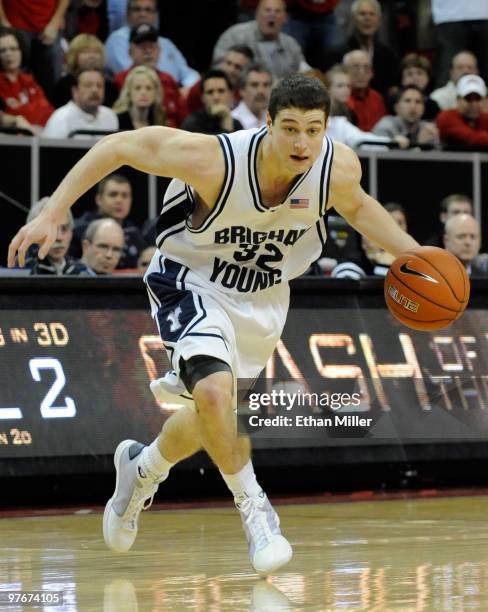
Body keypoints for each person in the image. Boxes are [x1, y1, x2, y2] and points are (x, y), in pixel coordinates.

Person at [8, 74, 419, 576]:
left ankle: (143, 468)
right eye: (289, 127)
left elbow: (357, 207)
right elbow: (118, 146)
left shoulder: (336, 167)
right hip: (192, 280)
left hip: (263, 299)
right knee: (214, 397)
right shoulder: (216, 160)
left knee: (212, 420)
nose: (301, 142)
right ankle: (256, 510)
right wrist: (54, 211)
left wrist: (416, 255)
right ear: (266, 123)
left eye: (313, 129)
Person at [105, 0, 199, 91]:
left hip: (172, 91)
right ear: (128, 13)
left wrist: (188, 89)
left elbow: (187, 73)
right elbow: (132, 74)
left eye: (148, 10)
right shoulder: (117, 39)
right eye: (137, 9)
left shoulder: (165, 42)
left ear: (155, 15)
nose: (142, 14)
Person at [212, 0, 310, 81]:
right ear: (257, 14)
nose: (272, 15)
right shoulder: (235, 35)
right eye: (267, 10)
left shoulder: (291, 44)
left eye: (277, 11)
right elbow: (217, 68)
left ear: (285, 18)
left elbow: (306, 72)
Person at [113, 23, 187, 128]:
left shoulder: (168, 79)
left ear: (159, 50)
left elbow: (183, 118)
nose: (148, 51)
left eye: (152, 46)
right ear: (130, 52)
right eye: (142, 47)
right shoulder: (119, 80)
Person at [321, 0, 398, 97]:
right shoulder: (335, 54)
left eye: (372, 14)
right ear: (353, 19)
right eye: (362, 14)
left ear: (378, 20)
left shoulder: (387, 55)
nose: (367, 18)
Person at [70, 173, 146, 269]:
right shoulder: (78, 230)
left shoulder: (135, 233)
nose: (119, 200)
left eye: (125, 195)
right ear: (99, 199)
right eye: (113, 194)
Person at [0, 0, 68, 96]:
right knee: (14, 82)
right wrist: (3, 20)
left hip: (49, 24)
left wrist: (55, 22)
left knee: (53, 85)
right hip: (15, 23)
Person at [0, 27, 53, 133]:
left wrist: (18, 111)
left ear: (21, 50)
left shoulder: (29, 81)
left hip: (38, 134)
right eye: (2, 50)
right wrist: (16, 119)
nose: (8, 54)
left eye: (13, 48)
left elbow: (46, 110)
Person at [24, 197, 95, 276]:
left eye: (64, 229)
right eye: (51, 230)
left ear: (71, 233)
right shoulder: (22, 272)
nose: (59, 238)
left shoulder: (83, 271)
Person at [43, 68, 119, 139]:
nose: (95, 90)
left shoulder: (110, 116)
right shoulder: (60, 118)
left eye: (99, 86)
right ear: (75, 91)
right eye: (88, 85)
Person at [50, 33, 118, 108]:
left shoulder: (109, 86)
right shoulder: (64, 85)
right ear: (74, 56)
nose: (92, 56)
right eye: (86, 52)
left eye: (96, 52)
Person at [186, 45, 254, 115]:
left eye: (238, 67)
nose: (230, 70)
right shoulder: (201, 86)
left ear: (248, 72)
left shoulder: (251, 92)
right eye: (228, 63)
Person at [372, 86, 440, 149]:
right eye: (407, 101)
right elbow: (381, 159)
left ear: (423, 108)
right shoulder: (386, 126)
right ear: (397, 107)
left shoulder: (428, 129)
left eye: (418, 102)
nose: (413, 106)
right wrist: (420, 145)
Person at [181, 70, 243, 135]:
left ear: (231, 94)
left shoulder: (236, 125)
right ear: (202, 97)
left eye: (221, 91)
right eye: (210, 92)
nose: (216, 97)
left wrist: (226, 119)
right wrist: (226, 124)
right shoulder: (191, 125)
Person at [436, 74, 488, 151]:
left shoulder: (485, 118)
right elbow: (471, 138)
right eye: (468, 98)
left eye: (478, 99)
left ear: (485, 101)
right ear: (458, 100)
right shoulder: (446, 117)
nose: (474, 104)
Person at [343, 49, 386, 131]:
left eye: (366, 68)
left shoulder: (376, 98)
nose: (362, 72)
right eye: (356, 67)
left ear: (372, 73)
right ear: (345, 71)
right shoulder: (341, 97)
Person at [113, 65, 165, 130]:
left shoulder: (159, 120)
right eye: (137, 88)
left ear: (155, 93)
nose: (143, 92)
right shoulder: (116, 121)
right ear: (129, 92)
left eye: (148, 88)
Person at [231, 62, 272, 130]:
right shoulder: (233, 121)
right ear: (242, 90)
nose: (261, 91)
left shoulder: (274, 118)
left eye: (266, 85)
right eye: (254, 85)